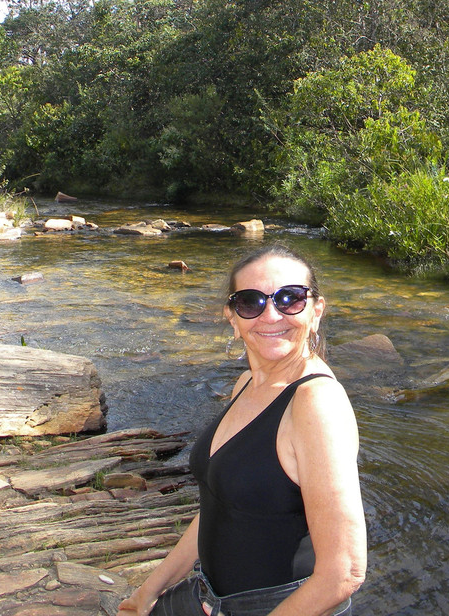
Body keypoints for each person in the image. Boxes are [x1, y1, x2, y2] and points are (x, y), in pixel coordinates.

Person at [119, 243, 367, 616]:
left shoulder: (316, 403)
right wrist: (147, 592)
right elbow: (221, 504)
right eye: (251, 302)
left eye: (290, 298)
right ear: (233, 318)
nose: (271, 315)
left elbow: (343, 573)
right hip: (211, 596)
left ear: (316, 311)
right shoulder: (246, 385)